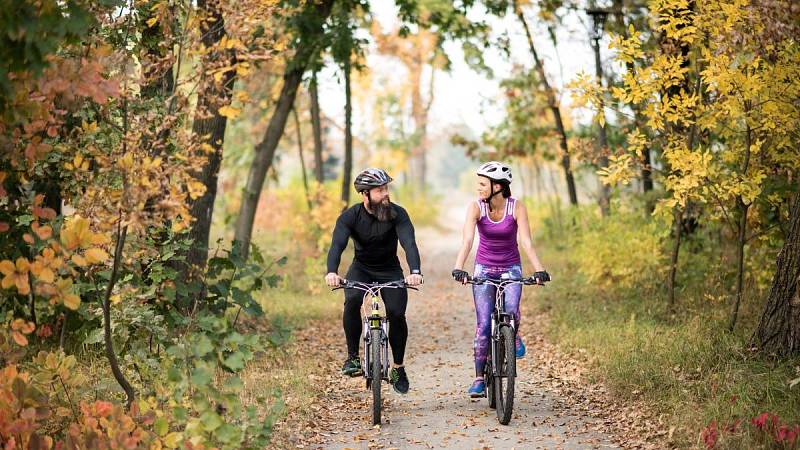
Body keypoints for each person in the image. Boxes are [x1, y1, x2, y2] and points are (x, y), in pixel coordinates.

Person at [451, 161, 550, 397]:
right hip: (484, 268)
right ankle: (478, 379)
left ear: (498, 186)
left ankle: (513, 335)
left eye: (483, 184)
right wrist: (459, 267)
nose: (479, 188)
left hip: (510, 267)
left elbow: (526, 241)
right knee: (484, 324)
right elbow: (467, 241)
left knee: (512, 309)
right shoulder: (475, 207)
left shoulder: (516, 207)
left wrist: (539, 270)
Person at [325, 168, 423, 394]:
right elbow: (337, 246)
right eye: (380, 190)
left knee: (397, 313)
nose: (385, 194)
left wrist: (415, 270)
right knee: (351, 300)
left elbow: (409, 243)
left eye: (386, 188)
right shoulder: (350, 217)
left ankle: (398, 367)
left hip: (390, 269)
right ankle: (353, 358)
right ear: (365, 194)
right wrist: (332, 271)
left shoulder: (397, 213)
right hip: (361, 268)